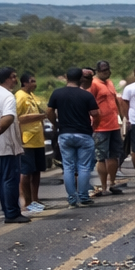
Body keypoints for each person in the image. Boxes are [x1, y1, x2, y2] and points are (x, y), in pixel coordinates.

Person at [45, 66, 99, 208]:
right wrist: (94, 127)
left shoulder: (57, 93)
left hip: (65, 134)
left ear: (66, 77)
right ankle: (84, 196)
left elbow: (49, 111)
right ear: (81, 79)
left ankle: (71, 198)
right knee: (84, 167)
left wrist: (56, 124)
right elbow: (95, 113)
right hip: (84, 134)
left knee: (68, 167)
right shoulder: (86, 95)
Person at [90, 60, 125, 196]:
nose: (106, 73)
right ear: (98, 71)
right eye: (103, 71)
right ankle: (103, 186)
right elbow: (89, 103)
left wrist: (121, 117)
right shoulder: (94, 84)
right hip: (100, 127)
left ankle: (112, 183)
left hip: (113, 124)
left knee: (114, 155)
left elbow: (115, 100)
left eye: (108, 70)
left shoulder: (109, 83)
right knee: (101, 157)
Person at [16, 71, 47, 214]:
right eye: (32, 81)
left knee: (36, 171)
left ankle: (35, 199)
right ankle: (26, 202)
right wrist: (38, 116)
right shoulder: (20, 96)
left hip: (37, 139)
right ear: (25, 83)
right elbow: (16, 118)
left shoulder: (32, 96)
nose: (35, 84)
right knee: (26, 172)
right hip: (26, 139)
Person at [0, 67, 21, 223]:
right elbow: (8, 117)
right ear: (7, 78)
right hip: (6, 144)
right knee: (9, 179)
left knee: (2, 180)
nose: (15, 80)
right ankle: (12, 213)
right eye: (13, 77)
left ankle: (8, 211)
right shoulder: (7, 96)